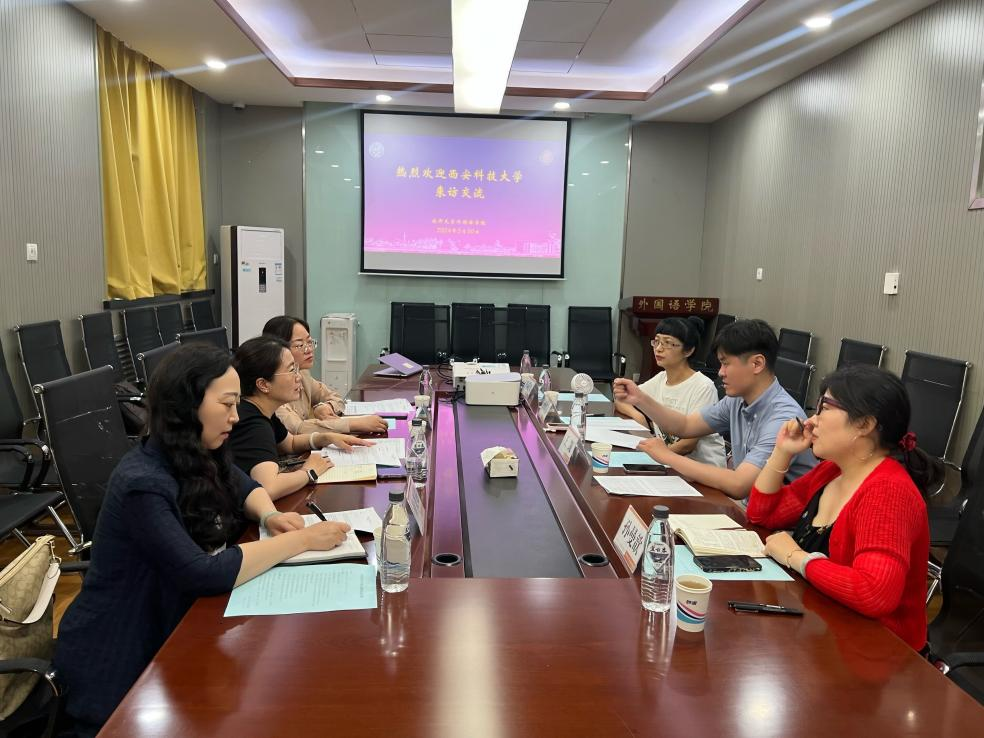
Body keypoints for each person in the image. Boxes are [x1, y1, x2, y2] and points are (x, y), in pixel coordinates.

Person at [54, 345, 352, 736]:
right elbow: (200, 572)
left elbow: (243, 484)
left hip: (174, 627)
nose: (235, 416)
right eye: (227, 404)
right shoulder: (143, 483)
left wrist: (270, 516)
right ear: (187, 406)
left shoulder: (199, 449)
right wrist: (302, 541)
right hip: (122, 660)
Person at [747, 364, 941, 651]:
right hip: (824, 626)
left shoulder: (888, 491)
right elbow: (761, 514)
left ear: (864, 424)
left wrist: (796, 557)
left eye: (824, 408)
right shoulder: (833, 471)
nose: (811, 421)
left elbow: (874, 592)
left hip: (879, 652)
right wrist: (782, 451)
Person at [614, 319, 815, 499]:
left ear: (757, 363)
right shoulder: (737, 400)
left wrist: (667, 456)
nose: (720, 372)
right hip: (748, 508)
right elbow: (685, 426)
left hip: (782, 523)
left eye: (726, 364)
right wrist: (639, 399)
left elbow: (740, 485)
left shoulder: (783, 418)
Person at [228, 336, 374, 499]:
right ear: (263, 385)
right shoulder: (253, 424)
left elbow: (289, 443)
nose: (298, 377)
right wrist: (309, 472)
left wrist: (326, 438)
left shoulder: (261, 410)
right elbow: (269, 488)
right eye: (291, 370)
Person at [613, 316, 725, 467]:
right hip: (670, 465)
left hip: (702, 470)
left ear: (688, 350)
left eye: (668, 343)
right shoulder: (661, 379)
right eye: (656, 341)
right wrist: (638, 416)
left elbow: (688, 445)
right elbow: (622, 399)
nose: (658, 348)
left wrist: (656, 459)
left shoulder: (703, 387)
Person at [262, 315, 388, 435]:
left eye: (309, 342)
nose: (309, 349)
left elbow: (335, 397)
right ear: (277, 349)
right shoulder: (272, 386)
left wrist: (325, 406)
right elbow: (299, 428)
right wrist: (353, 424)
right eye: (300, 345)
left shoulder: (302, 374)